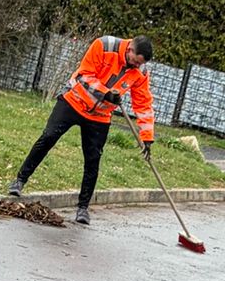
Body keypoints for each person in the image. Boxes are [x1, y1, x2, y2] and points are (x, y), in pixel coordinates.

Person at [9, 35, 156, 226]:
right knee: (48, 137)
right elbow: (85, 74)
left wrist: (147, 137)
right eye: (135, 61)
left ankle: (83, 208)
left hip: (99, 116)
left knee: (93, 160)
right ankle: (19, 180)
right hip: (73, 101)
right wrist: (105, 93)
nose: (136, 66)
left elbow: (143, 104)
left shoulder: (140, 72)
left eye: (140, 64)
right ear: (130, 50)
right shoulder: (104, 45)